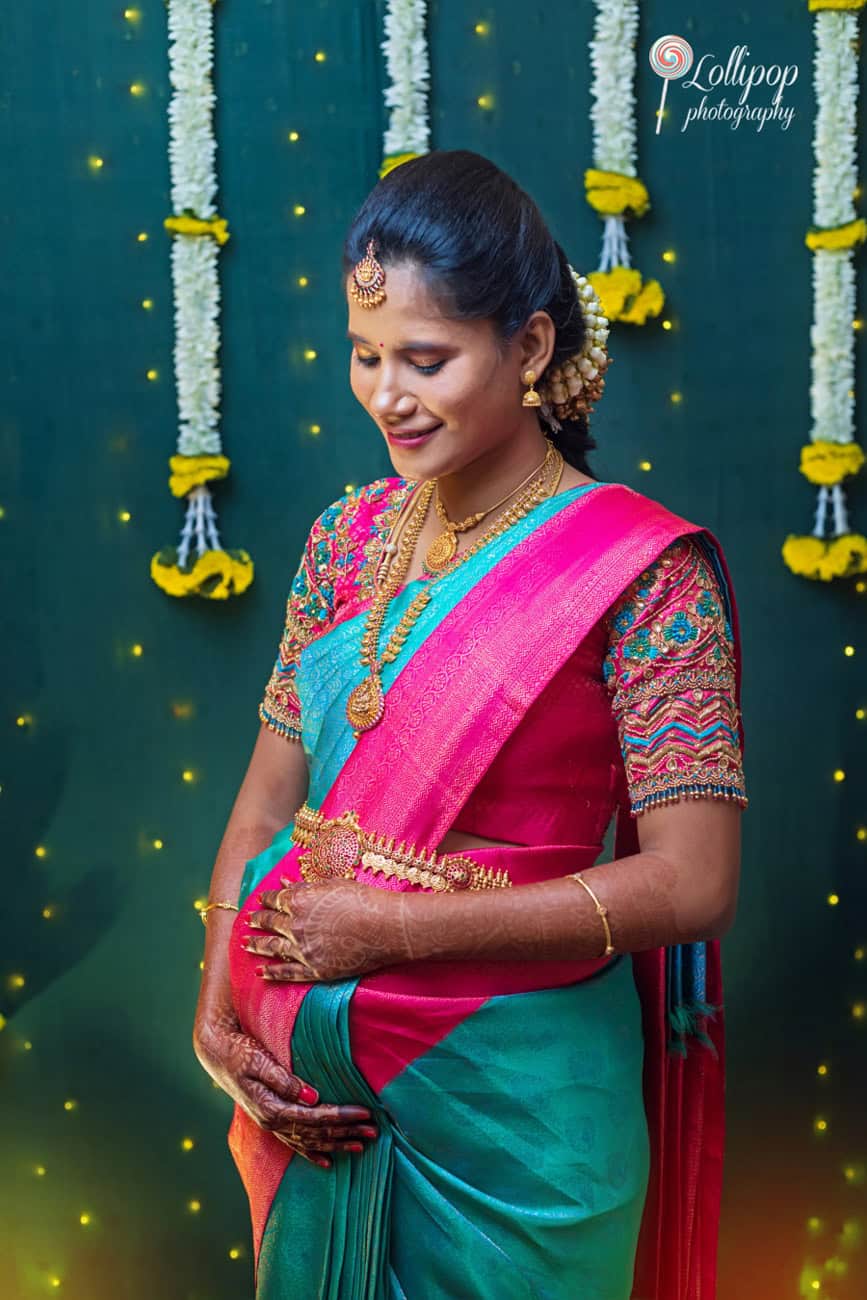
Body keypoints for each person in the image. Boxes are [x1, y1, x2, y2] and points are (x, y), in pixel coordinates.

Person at [192, 149, 747, 1300]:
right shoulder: (345, 543)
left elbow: (694, 884)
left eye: (426, 359)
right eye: (365, 355)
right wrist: (216, 1004)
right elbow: (264, 805)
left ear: (532, 348)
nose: (386, 394)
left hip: (519, 1122)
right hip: (319, 1101)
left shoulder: (644, 573)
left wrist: (390, 935)